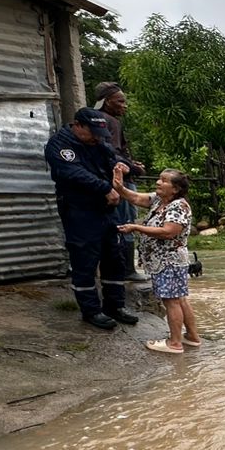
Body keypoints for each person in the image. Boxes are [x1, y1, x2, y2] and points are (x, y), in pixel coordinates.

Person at [45, 108, 139, 330]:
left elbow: (110, 157)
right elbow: (73, 173)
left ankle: (115, 305)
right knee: (85, 259)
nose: (96, 138)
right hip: (79, 210)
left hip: (106, 210)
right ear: (78, 125)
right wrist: (105, 188)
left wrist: (125, 166)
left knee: (114, 257)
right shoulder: (60, 145)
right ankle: (91, 310)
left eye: (100, 134)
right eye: (92, 133)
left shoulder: (97, 143)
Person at [114, 164, 200, 354]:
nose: (158, 182)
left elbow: (168, 232)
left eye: (164, 181)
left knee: (172, 302)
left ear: (175, 189)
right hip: (165, 261)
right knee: (180, 300)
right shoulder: (159, 200)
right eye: (159, 179)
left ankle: (175, 343)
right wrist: (120, 188)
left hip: (169, 261)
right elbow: (135, 197)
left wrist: (136, 227)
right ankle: (192, 337)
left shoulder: (178, 206)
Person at [94, 81, 146, 281]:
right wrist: (133, 168)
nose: (125, 105)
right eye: (120, 101)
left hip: (107, 180)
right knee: (126, 221)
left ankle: (112, 268)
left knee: (113, 222)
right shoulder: (110, 121)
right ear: (107, 102)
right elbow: (112, 155)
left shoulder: (98, 120)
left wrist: (131, 162)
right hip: (119, 179)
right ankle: (127, 270)